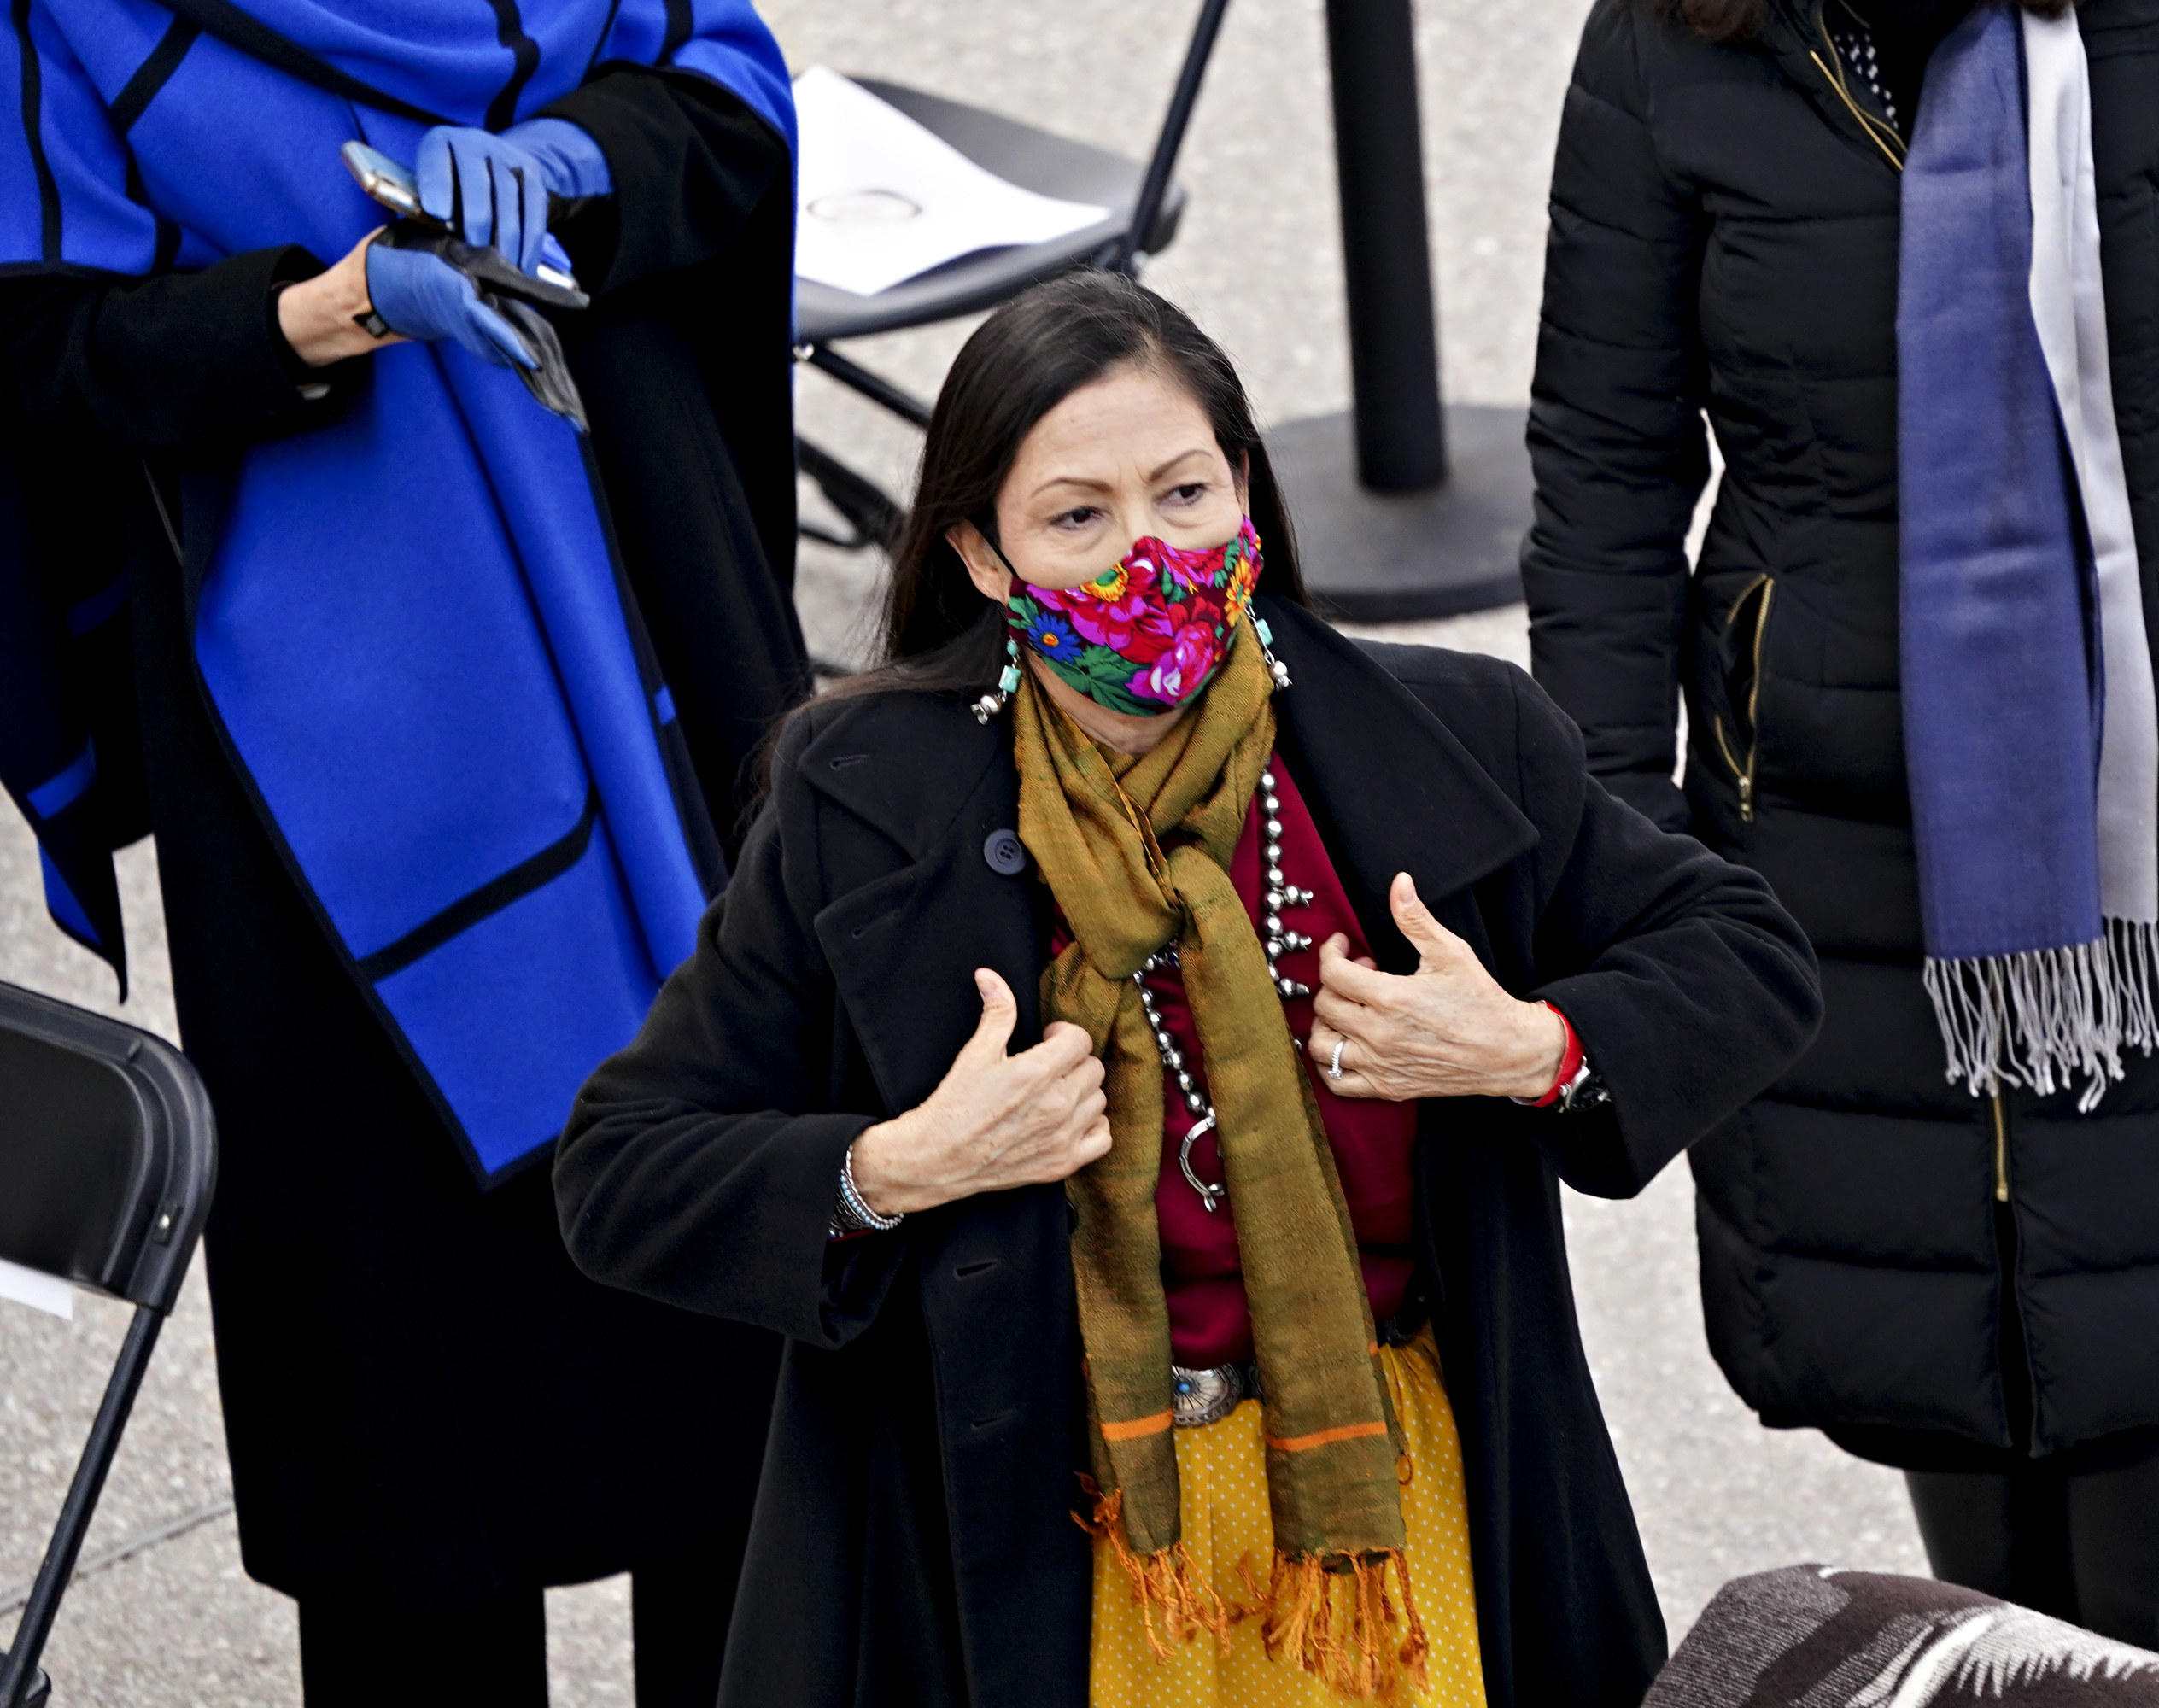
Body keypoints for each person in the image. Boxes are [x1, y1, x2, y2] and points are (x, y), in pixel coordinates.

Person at [552, 269, 1825, 1708]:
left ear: (1249, 502)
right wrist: (896, 1167)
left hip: (1411, 1519)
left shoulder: (1456, 733)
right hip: (1044, 1536)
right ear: (981, 555)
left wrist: (1531, 1044)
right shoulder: (857, 799)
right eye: (1077, 516)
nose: (1146, 554)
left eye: (1184, 494)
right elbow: (621, 1171)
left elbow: (1750, 958)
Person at [1520, 0, 2159, 1677]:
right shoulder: (1670, 46)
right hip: (1817, 811)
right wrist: (1609, 811)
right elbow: (1604, 456)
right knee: (1919, 1319)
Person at [0, 4, 807, 1701]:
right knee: (408, 1448)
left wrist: (572, 164)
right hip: (318, 791)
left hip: (659, 622)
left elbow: (726, 107)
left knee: (753, 1390)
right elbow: (44, 351)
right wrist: (333, 305)